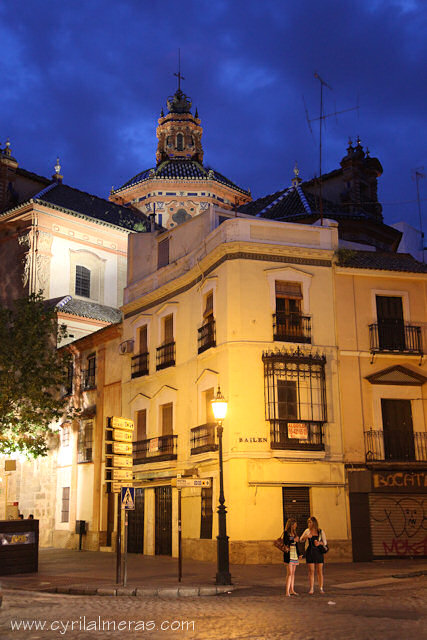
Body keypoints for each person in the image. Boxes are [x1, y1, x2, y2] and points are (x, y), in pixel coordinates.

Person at [300, 516, 327, 594]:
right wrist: (306, 536)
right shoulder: (307, 531)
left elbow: (325, 542)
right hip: (310, 552)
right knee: (311, 571)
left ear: (314, 523)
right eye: (308, 522)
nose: (309, 523)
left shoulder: (320, 531)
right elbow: (301, 540)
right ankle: (311, 588)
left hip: (318, 552)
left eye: (310, 522)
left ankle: (321, 588)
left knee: (319, 571)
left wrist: (319, 543)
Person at [282, 517, 301, 597]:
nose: (296, 526)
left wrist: (299, 554)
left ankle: (292, 589)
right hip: (288, 555)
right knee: (289, 573)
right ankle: (287, 591)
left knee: (293, 573)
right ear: (291, 525)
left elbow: (296, 546)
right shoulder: (286, 533)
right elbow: (286, 541)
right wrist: (294, 539)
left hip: (294, 554)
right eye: (295, 524)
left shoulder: (295, 533)